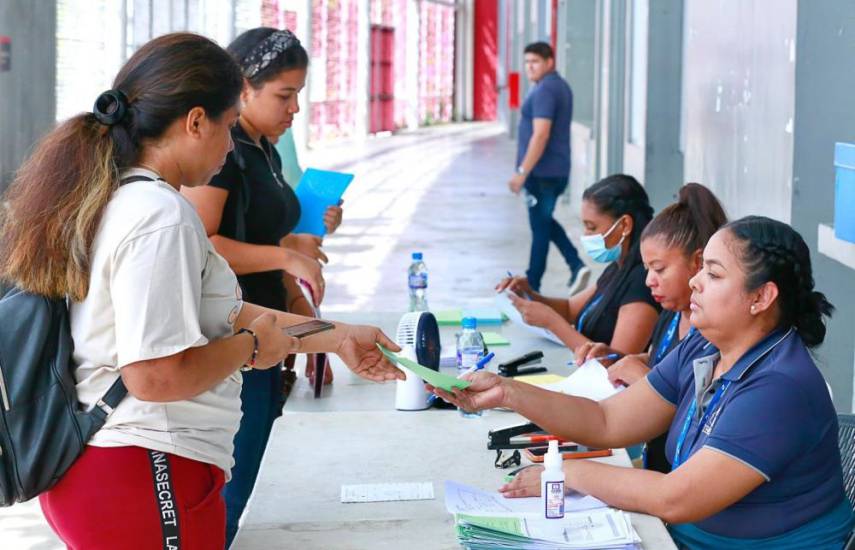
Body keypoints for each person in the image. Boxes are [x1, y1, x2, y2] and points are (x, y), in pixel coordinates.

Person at [0, 32, 403, 549]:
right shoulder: (158, 218)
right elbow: (154, 375)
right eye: (230, 125)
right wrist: (253, 350)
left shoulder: (126, 199)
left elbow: (231, 313)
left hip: (131, 468)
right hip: (143, 470)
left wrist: (340, 336)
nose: (232, 143)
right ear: (195, 121)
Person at [438, 216, 854, 549]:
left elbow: (676, 498)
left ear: (760, 297)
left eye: (713, 273)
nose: (695, 281)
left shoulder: (779, 388)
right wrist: (508, 392)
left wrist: (567, 474)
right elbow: (606, 420)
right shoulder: (704, 348)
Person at [179, 27, 342, 546]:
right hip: (237, 335)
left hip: (271, 331)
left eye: (298, 94)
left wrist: (306, 316)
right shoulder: (222, 156)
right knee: (234, 486)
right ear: (243, 88)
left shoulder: (263, 149)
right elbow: (203, 243)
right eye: (284, 94)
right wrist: (286, 254)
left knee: (252, 479)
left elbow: (265, 239)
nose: (294, 108)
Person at [575, 183, 728, 473]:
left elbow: (700, 416)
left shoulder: (713, 335)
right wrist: (618, 357)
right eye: (647, 269)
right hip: (654, 464)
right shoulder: (671, 315)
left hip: (682, 479)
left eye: (659, 269)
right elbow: (667, 359)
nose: (649, 281)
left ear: (697, 264)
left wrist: (644, 378)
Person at [498, 174, 659, 355]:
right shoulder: (618, 267)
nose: (586, 235)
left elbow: (617, 363)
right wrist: (529, 295)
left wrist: (552, 322)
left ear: (625, 225)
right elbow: (571, 309)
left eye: (591, 227)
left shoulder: (642, 283)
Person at [507, 41, 588, 295]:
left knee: (540, 228)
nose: (530, 67)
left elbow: (540, 135)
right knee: (543, 223)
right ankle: (574, 264)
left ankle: (532, 285)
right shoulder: (558, 86)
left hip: (542, 174)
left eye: (536, 62)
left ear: (549, 62)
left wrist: (522, 172)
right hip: (554, 170)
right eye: (527, 62)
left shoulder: (545, 91)